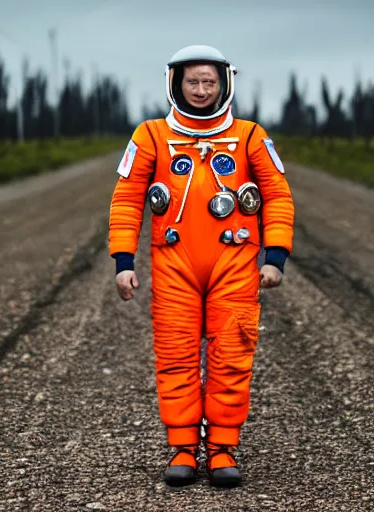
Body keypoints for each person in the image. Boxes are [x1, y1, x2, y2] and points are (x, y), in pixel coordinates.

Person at [108, 45, 295, 488]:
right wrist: (122, 260)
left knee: (232, 355)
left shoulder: (249, 136)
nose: (200, 89)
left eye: (209, 81)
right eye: (192, 81)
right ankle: (183, 448)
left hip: (234, 262)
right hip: (175, 264)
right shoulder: (151, 136)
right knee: (175, 357)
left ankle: (224, 447)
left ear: (224, 83)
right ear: (175, 83)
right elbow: (128, 198)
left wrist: (276, 257)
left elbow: (278, 196)